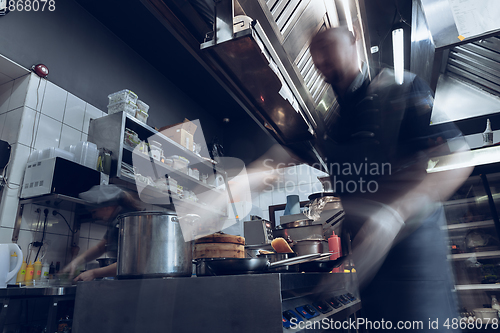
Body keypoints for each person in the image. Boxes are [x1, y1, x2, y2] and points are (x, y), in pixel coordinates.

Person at [307, 26, 473, 330]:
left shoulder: (401, 89)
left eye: (328, 46)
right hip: (369, 275)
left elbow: (458, 157)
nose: (322, 58)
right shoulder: (333, 124)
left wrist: (394, 215)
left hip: (414, 269)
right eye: (315, 55)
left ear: (354, 41)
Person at [62, 185, 143, 282]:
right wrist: (76, 262)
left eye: (94, 212)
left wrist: (93, 273)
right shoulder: (117, 220)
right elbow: (100, 247)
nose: (94, 216)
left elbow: (131, 262)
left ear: (107, 207)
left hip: (139, 284)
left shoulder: (129, 220)